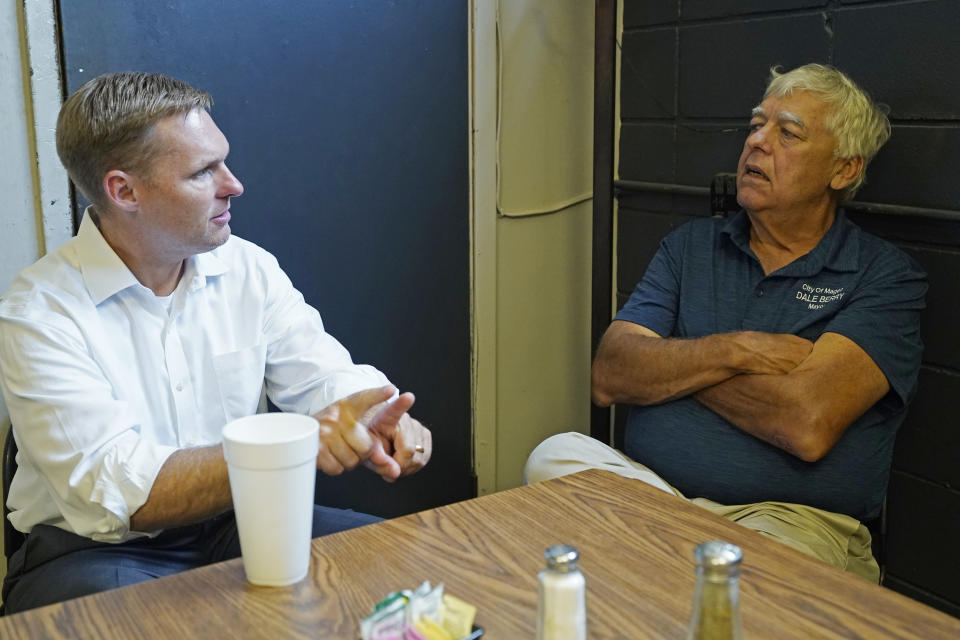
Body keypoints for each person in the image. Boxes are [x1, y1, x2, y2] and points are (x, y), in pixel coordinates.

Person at [0, 72, 433, 613]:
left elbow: (323, 378)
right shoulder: (38, 313)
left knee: (407, 568)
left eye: (222, 161)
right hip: (93, 554)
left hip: (244, 523)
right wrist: (297, 445)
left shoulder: (248, 268)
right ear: (123, 190)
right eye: (204, 171)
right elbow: (122, 493)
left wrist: (373, 416)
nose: (233, 184)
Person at [525, 64, 926, 582]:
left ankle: (660, 567)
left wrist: (675, 364)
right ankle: (694, 570)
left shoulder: (885, 276)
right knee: (553, 455)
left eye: (788, 133)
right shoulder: (689, 246)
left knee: (777, 565)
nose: (757, 142)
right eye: (756, 125)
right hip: (659, 494)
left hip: (789, 524)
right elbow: (612, 374)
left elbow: (803, 423)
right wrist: (738, 350)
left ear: (843, 171)